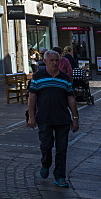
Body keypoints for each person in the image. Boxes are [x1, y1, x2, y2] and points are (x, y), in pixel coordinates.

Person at [27, 50, 80, 188]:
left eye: (57, 60)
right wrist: (31, 116)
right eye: (52, 60)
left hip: (62, 119)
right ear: (45, 62)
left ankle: (60, 176)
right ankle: (46, 164)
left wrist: (75, 118)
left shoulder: (64, 78)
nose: (55, 63)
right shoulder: (38, 77)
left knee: (62, 149)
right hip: (44, 118)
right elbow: (32, 97)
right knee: (46, 146)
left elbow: (71, 99)